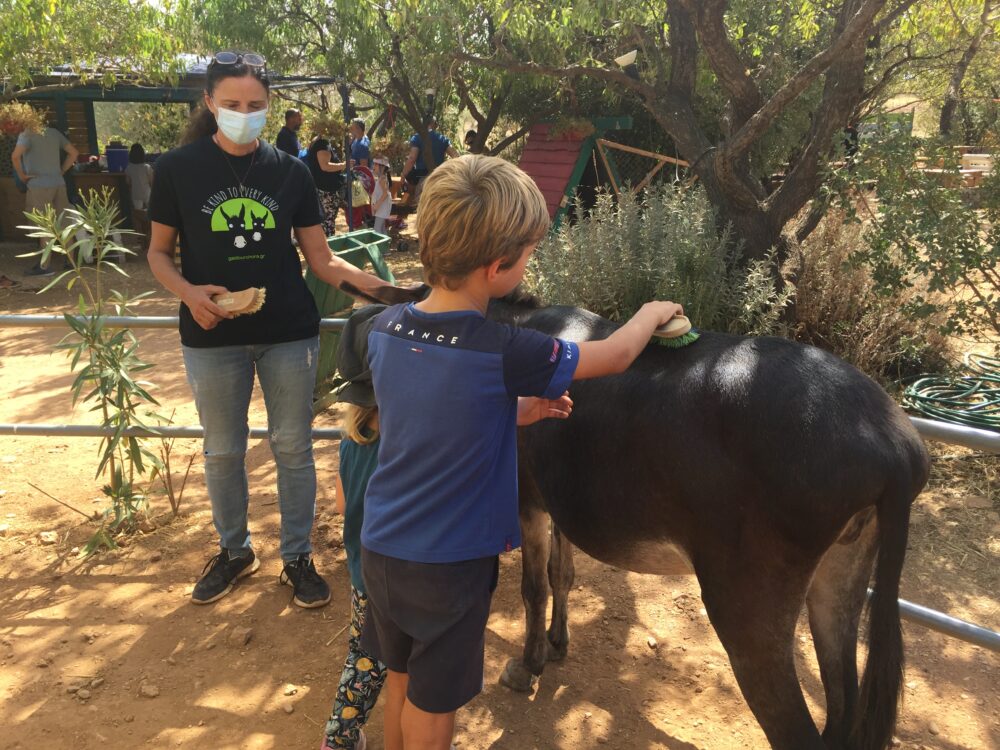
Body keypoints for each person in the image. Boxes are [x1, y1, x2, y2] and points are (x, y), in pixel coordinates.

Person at [359, 154, 683, 749]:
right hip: (448, 565)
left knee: (400, 679)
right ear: (497, 267)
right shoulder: (504, 348)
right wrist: (650, 312)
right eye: (529, 253)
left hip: (382, 549)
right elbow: (614, 356)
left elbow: (431, 412)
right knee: (435, 705)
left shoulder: (386, 328)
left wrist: (512, 411)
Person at [145, 50, 390, 610]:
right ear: (210, 103)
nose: (243, 114)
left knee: (294, 447)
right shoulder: (177, 169)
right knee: (222, 451)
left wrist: (394, 293)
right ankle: (235, 551)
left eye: (254, 104)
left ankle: (297, 557)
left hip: (288, 333)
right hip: (210, 334)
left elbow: (322, 261)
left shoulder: (291, 172)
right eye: (231, 104)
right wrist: (189, 294)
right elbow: (158, 254)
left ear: (269, 105)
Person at [11, 119, 79, 276]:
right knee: (64, 223)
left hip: (38, 185)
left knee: (43, 225)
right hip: (58, 184)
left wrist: (22, 176)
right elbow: (74, 153)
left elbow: (15, 156)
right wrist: (61, 171)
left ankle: (44, 266)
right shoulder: (54, 133)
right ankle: (71, 262)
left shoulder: (26, 134)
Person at [396, 116, 458, 208]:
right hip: (439, 179)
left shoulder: (417, 138)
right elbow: (456, 157)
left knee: (421, 208)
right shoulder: (442, 139)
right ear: (434, 124)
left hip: (423, 180)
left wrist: (403, 174)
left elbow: (412, 158)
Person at [305, 136, 348, 237]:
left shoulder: (317, 142)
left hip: (321, 190)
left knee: (325, 222)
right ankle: (328, 244)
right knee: (327, 222)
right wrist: (344, 165)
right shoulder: (323, 144)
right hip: (327, 192)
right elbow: (325, 166)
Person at [126, 143, 154, 238]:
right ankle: (150, 235)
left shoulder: (129, 168)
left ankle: (139, 237)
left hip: (136, 195)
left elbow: (128, 183)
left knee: (137, 217)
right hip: (147, 195)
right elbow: (152, 182)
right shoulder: (147, 167)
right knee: (150, 217)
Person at [370, 156, 392, 235]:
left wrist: (376, 205)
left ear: (382, 167)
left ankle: (382, 242)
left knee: (377, 229)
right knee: (381, 228)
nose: (374, 166)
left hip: (382, 208)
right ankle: (386, 242)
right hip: (381, 207)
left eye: (376, 164)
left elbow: (385, 193)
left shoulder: (382, 179)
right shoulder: (381, 178)